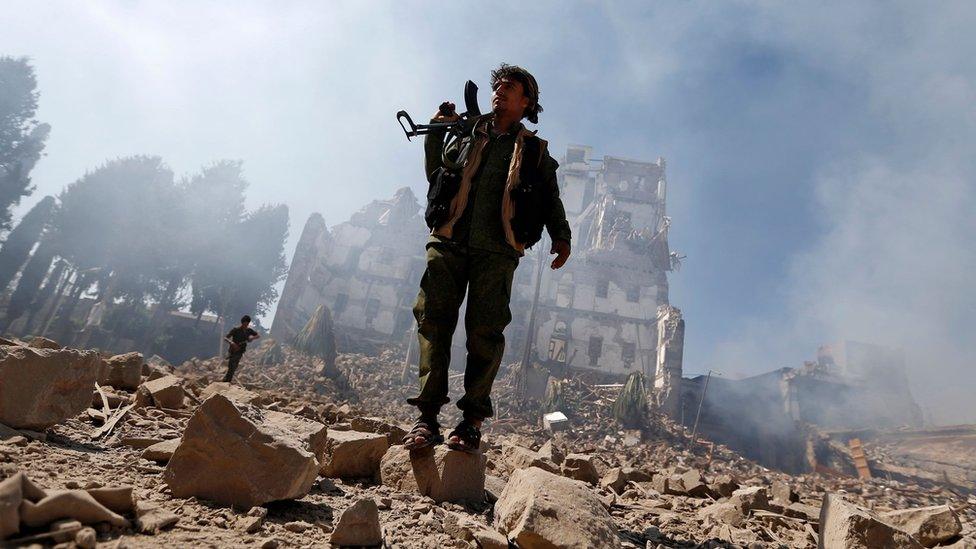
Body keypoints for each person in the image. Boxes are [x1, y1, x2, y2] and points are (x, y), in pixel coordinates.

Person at [403, 63, 572, 453]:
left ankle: (471, 421)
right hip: (448, 238)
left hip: (497, 250)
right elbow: (437, 175)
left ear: (526, 101)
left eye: (509, 87)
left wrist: (560, 236)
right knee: (433, 321)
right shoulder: (465, 131)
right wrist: (439, 129)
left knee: (485, 333)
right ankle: (426, 418)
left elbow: (550, 198)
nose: (499, 91)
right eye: (497, 86)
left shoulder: (534, 150)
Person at [223, 315, 259, 382]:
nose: (246, 325)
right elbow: (226, 338)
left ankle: (227, 381)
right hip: (233, 350)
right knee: (231, 366)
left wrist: (252, 338)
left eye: (247, 324)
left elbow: (258, 335)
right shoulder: (236, 330)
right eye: (245, 324)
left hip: (240, 351)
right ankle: (226, 381)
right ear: (242, 323)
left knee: (234, 367)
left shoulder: (249, 330)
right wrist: (231, 342)